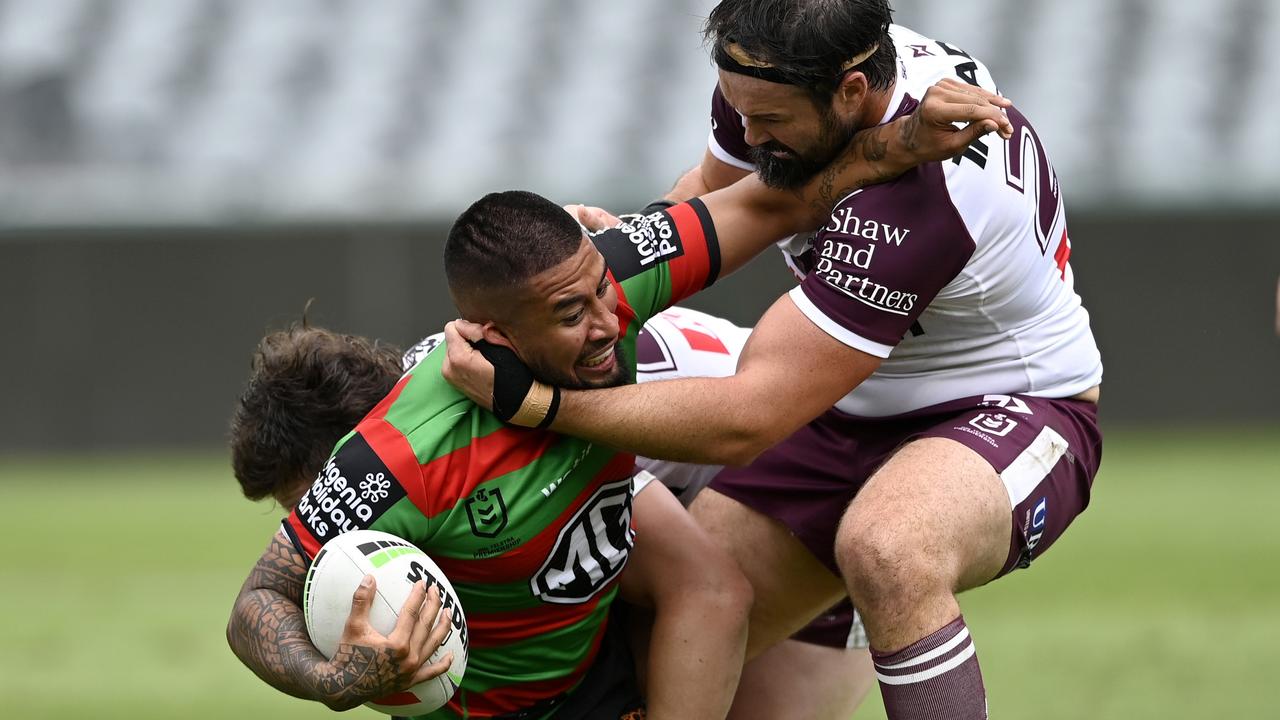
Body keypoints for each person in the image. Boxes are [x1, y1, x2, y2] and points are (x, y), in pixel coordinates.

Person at [225, 87, 1014, 720]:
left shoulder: (612, 279)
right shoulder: (409, 452)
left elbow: (774, 206)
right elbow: (259, 600)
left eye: (603, 292)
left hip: (719, 551)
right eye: (572, 315)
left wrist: (902, 142)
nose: (610, 323)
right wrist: (333, 676)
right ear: (492, 330)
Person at [441, 2, 1102, 719]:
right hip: (844, 402)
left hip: (1009, 407)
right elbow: (714, 201)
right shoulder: (776, 77)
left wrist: (540, 405)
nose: (749, 132)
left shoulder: (926, 196)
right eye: (738, 110)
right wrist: (606, 262)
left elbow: (748, 420)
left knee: (888, 548)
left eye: (771, 121)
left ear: (851, 90)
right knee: (672, 633)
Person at [229, 307, 875, 720]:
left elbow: (709, 588)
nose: (322, 529)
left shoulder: (480, 440)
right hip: (762, 461)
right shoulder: (434, 409)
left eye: (314, 500)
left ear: (358, 448)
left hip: (821, 456)